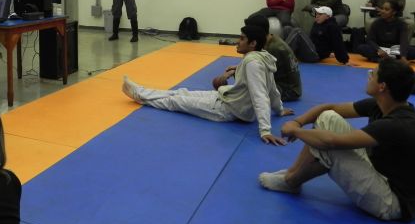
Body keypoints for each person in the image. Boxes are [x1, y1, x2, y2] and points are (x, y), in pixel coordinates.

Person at [259, 59, 415, 223]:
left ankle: (290, 181)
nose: (369, 76)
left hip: (392, 203)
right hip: (380, 172)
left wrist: (296, 131)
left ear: (382, 86)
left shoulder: (396, 124)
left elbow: (330, 142)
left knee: (328, 145)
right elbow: (329, 108)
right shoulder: (384, 106)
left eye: (373, 74)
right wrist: (297, 122)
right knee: (328, 118)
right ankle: (292, 174)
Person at [122, 25, 294, 145]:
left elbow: (261, 95)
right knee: (181, 92)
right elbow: (272, 88)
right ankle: (142, 91)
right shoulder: (263, 57)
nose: (237, 41)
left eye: (242, 39)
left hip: (226, 109)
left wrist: (265, 130)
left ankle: (140, 95)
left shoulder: (253, 63)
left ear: (253, 44)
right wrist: (279, 109)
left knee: (176, 102)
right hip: (226, 97)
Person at [244, 14, 302, 101]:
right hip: (283, 83)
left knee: (248, 91)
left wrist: (238, 71)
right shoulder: (270, 39)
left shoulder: (274, 49)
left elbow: (259, 75)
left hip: (289, 90)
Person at [285, 6, 350, 65]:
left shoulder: (333, 27)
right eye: (317, 14)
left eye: (320, 14)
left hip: (314, 56)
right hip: (310, 51)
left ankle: (282, 56)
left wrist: (345, 60)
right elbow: (312, 40)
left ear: (327, 16)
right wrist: (327, 54)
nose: (317, 16)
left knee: (298, 31)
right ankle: (286, 55)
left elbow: (338, 44)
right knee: (287, 28)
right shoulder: (317, 23)